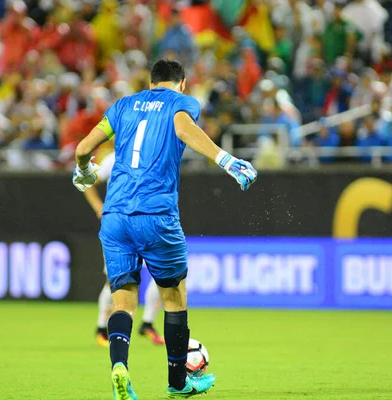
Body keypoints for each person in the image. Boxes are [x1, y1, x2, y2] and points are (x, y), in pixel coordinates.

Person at [72, 59, 257, 399]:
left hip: (115, 216)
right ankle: (177, 383)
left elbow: (83, 148)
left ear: (151, 81)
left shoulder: (123, 105)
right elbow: (184, 129)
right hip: (155, 213)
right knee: (173, 297)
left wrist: (83, 170)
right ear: (182, 83)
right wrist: (224, 159)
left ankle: (120, 368)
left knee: (122, 301)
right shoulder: (182, 103)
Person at [83, 152, 165, 347]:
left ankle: (147, 323)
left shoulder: (154, 154)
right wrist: (98, 207)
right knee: (114, 279)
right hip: (119, 226)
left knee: (165, 273)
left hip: (148, 224)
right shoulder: (114, 158)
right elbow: (87, 183)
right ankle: (102, 328)